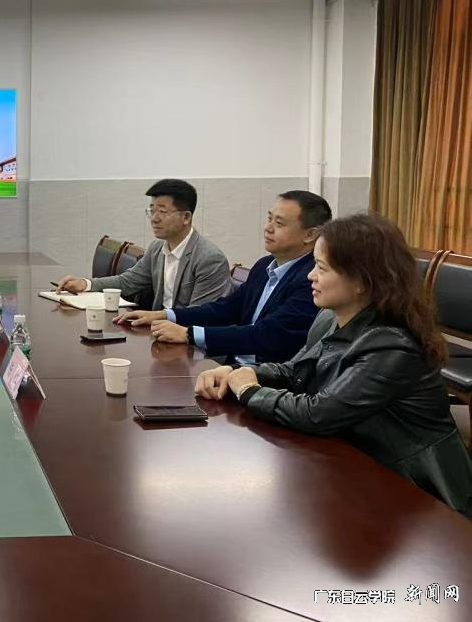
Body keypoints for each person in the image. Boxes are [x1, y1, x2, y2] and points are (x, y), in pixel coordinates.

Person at [195, 214, 472, 517]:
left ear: (362, 280)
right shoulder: (331, 318)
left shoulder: (391, 344)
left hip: (418, 492)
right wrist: (239, 373)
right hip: (363, 464)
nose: (310, 276)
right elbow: (296, 371)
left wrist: (248, 390)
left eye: (321, 268)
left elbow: (317, 414)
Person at [123, 190, 331, 364]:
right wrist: (164, 315)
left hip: (268, 379)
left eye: (280, 223)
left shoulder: (312, 280)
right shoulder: (263, 266)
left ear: (310, 235)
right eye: (269, 219)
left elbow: (267, 335)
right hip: (233, 366)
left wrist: (189, 334)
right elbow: (226, 309)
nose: (268, 228)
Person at [56, 179, 231, 310]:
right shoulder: (157, 248)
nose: (154, 218)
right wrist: (86, 284)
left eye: (162, 211)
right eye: (152, 210)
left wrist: (152, 319)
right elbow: (128, 281)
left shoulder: (209, 259)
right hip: (161, 330)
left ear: (186, 217)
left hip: (189, 341)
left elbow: (200, 315)